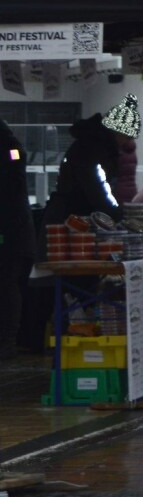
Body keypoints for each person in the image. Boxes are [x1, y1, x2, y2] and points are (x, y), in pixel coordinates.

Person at [43, 94, 141, 229]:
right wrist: (118, 216)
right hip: (73, 220)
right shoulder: (93, 149)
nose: (128, 141)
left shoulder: (96, 145)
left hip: (74, 215)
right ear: (118, 131)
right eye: (128, 136)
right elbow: (97, 189)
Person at [1, 119, 36, 359]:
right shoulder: (13, 149)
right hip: (14, 230)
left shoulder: (10, 151)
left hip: (9, 232)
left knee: (6, 283)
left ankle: (6, 341)